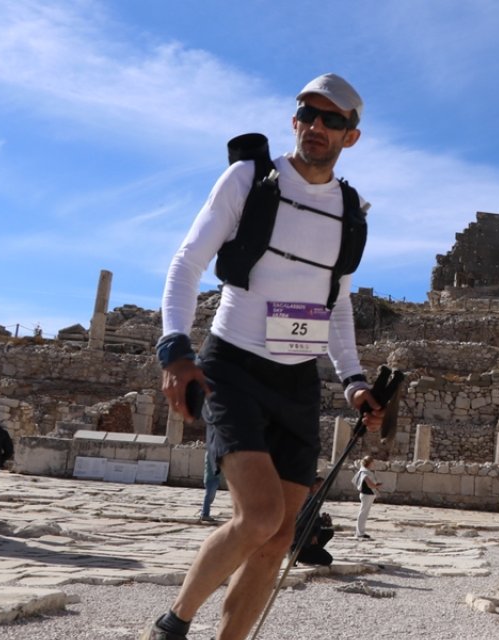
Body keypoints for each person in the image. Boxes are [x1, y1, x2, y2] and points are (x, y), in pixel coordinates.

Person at [143, 73, 384, 640]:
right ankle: (172, 625)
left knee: (279, 538)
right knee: (257, 516)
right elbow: (187, 263)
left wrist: (352, 380)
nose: (316, 127)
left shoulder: (351, 211)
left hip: (298, 382)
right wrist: (174, 348)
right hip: (233, 365)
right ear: (293, 118)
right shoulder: (250, 179)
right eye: (307, 113)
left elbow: (338, 305)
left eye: (332, 120)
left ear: (352, 136)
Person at [295, 477, 335, 566]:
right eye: (320, 486)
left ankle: (313, 550)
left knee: (328, 532)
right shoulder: (308, 500)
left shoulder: (312, 499)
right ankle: (301, 555)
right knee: (327, 559)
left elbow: (313, 520)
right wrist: (313, 534)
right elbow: (303, 521)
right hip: (300, 539)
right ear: (313, 487)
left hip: (307, 535)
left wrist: (323, 522)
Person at [352, 456, 381, 539]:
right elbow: (369, 484)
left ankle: (361, 532)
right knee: (363, 513)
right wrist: (376, 486)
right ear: (369, 463)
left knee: (364, 513)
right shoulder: (365, 472)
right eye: (372, 462)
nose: (373, 464)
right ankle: (360, 533)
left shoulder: (365, 471)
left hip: (367, 494)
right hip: (367, 494)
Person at [199, 451, 221, 522]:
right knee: (208, 497)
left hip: (214, 478)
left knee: (210, 498)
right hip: (210, 478)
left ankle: (204, 512)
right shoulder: (210, 453)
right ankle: (205, 514)